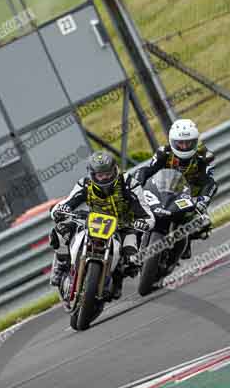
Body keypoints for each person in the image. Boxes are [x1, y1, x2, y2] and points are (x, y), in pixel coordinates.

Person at [49, 150, 155, 300]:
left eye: (108, 173)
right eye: (100, 175)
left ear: (115, 170)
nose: (105, 177)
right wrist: (60, 210)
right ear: (92, 175)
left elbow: (147, 214)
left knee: (133, 260)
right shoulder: (85, 184)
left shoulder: (129, 183)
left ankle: (116, 281)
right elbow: (68, 202)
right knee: (59, 232)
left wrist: (143, 222)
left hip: (123, 227)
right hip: (92, 223)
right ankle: (61, 265)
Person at [135, 118, 217, 259]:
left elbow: (210, 183)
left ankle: (185, 242)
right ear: (172, 141)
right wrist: (137, 184)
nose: (184, 146)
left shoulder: (203, 157)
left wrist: (203, 201)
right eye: (180, 143)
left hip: (189, 197)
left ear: (195, 142)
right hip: (163, 192)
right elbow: (147, 170)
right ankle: (132, 247)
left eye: (188, 143)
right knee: (136, 216)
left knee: (203, 226)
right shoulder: (164, 153)